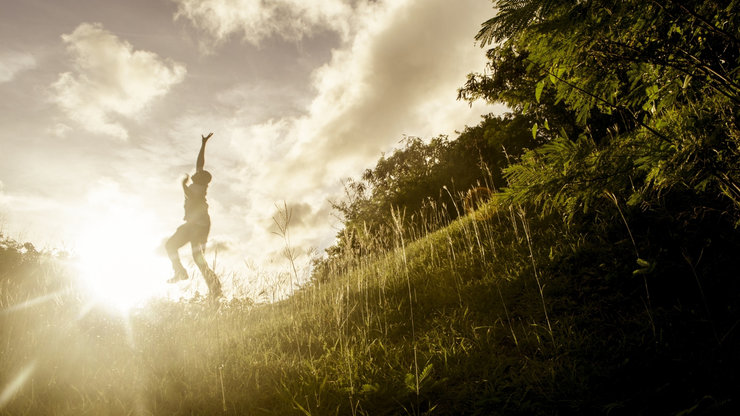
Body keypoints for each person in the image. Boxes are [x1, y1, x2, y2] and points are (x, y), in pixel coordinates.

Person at [165, 132, 222, 299]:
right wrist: (203, 144)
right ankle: (180, 272)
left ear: (202, 180)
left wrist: (182, 185)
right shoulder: (199, 181)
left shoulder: (198, 188)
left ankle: (215, 288)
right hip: (193, 225)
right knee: (171, 246)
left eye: (198, 174)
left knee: (197, 257)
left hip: (199, 226)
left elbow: (190, 194)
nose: (196, 173)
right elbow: (200, 164)